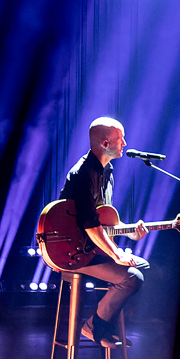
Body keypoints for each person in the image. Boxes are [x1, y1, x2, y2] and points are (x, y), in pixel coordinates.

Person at [58, 117, 147, 344]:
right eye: (120, 139)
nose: (125, 144)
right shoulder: (83, 174)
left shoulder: (107, 172)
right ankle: (93, 327)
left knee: (143, 265)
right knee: (132, 277)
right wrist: (116, 253)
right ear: (105, 143)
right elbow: (90, 225)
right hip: (72, 251)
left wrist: (128, 233)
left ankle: (107, 324)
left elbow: (103, 220)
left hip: (90, 247)